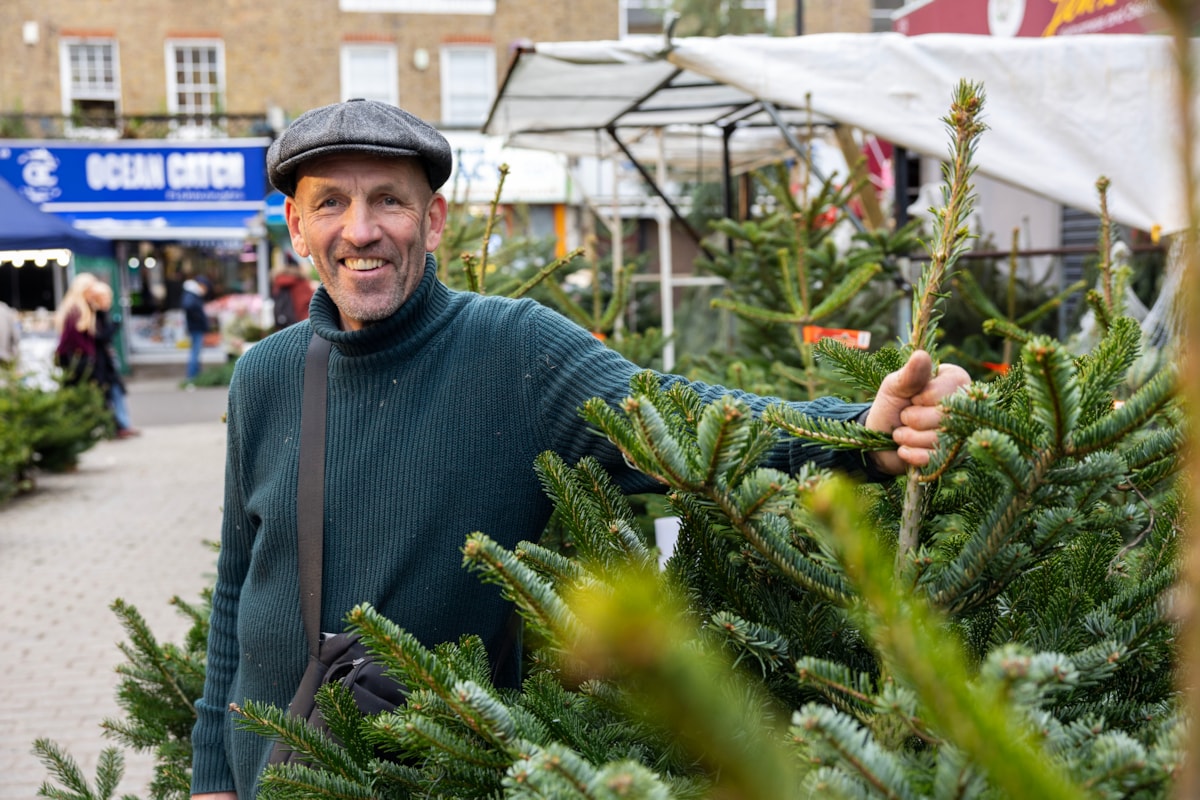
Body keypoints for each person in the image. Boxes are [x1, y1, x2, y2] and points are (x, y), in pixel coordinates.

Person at [190, 99, 970, 799]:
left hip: (436, 773)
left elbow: (686, 417)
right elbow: (236, 589)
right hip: (271, 770)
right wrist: (213, 780)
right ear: (297, 226)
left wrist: (857, 435)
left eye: (388, 200)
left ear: (432, 221)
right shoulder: (265, 375)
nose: (361, 229)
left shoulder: (513, 351)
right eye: (332, 203)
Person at [54, 274, 139, 438]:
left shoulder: (82, 309)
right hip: (80, 361)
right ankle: (97, 428)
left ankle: (109, 426)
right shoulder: (77, 310)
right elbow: (83, 339)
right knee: (90, 395)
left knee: (99, 394)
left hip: (84, 360)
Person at [269, 256, 316, 330]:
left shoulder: (278, 283)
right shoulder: (301, 282)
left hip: (284, 323)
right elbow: (308, 303)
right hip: (302, 324)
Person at [182, 275, 212, 382]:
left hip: (195, 326)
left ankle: (195, 375)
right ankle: (192, 376)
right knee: (195, 351)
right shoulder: (191, 293)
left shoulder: (193, 293)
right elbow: (188, 306)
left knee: (196, 351)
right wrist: (198, 317)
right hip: (196, 327)